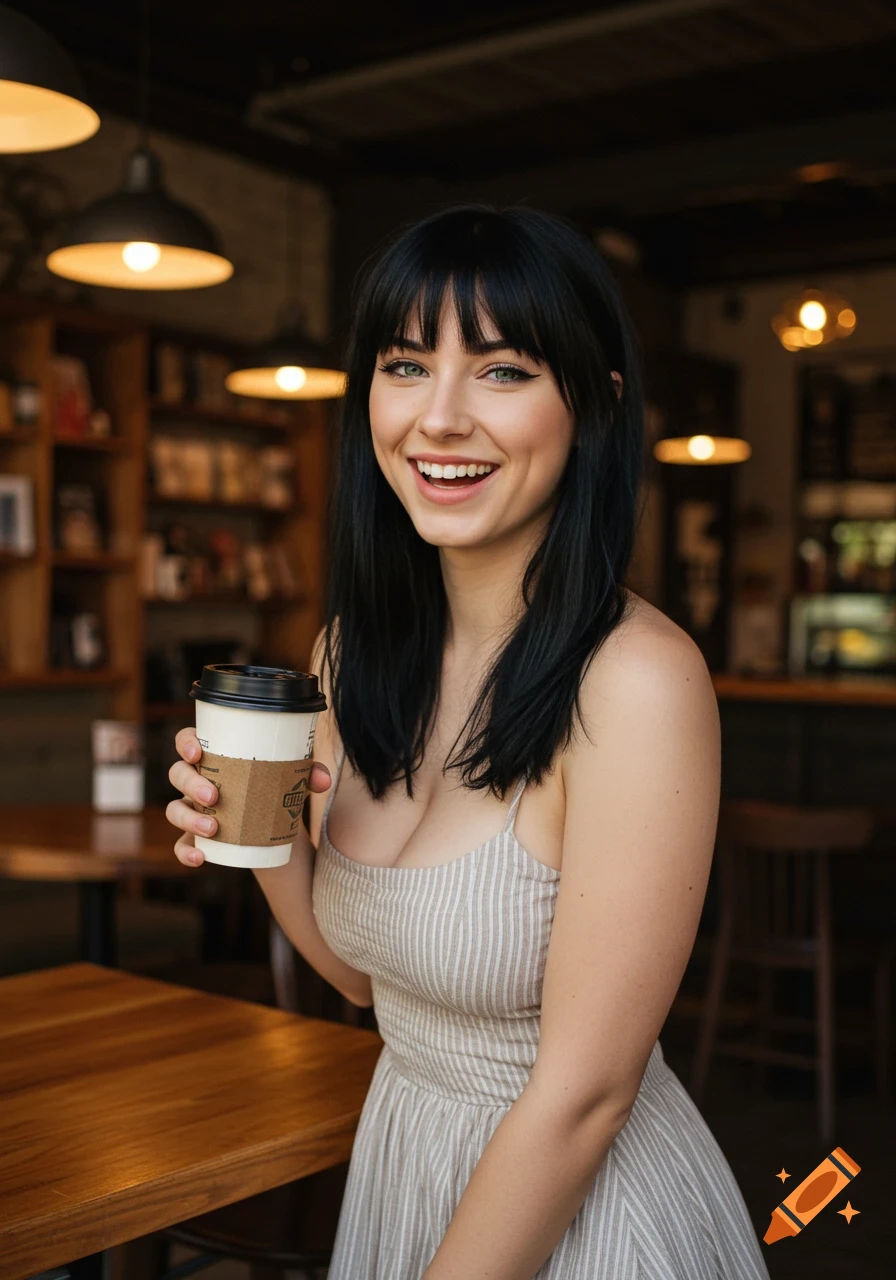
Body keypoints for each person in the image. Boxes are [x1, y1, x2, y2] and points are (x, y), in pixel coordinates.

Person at [167, 205, 770, 1280]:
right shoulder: (352, 654)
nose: (438, 418)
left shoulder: (636, 681)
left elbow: (586, 1095)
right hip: (407, 1163)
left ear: (592, 406)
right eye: (405, 365)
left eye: (500, 371)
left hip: (579, 1216)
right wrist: (247, 832)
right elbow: (360, 979)